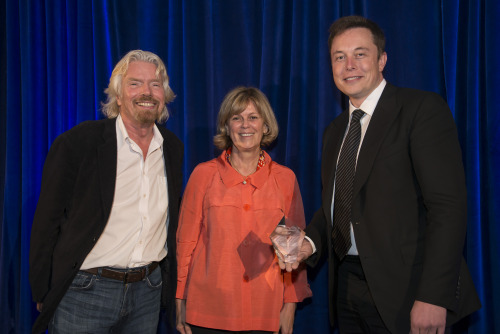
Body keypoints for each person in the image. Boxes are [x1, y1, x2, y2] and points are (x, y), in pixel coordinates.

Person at [278, 16, 481, 333]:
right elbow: (337, 206)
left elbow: (448, 208)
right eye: (339, 57)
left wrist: (433, 296)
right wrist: (309, 243)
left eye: (360, 54)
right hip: (345, 289)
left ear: (382, 59)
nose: (349, 66)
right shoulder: (334, 132)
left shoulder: (420, 109)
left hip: (408, 291)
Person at [29, 50, 183, 333]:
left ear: (165, 95)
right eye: (135, 83)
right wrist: (43, 290)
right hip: (84, 293)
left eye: (155, 84)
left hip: (148, 293)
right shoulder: (78, 143)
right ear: (118, 95)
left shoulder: (172, 148)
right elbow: (46, 222)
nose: (146, 92)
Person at [175, 87, 312, 334]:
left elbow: (292, 254)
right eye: (236, 118)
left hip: (265, 312)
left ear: (265, 126)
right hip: (207, 311)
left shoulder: (285, 179)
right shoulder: (203, 175)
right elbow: (186, 244)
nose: (244, 125)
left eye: (253, 117)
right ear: (227, 127)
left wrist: (290, 305)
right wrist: (180, 299)